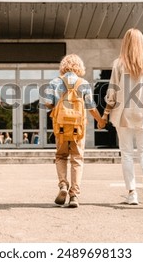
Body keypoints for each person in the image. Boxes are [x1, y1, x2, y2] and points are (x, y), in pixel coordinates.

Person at [100, 28, 143, 205]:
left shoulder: (119, 64)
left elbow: (112, 91)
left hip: (123, 115)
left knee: (126, 154)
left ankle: (132, 193)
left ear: (125, 43)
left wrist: (105, 114)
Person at [43, 54, 102, 208]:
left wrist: (57, 106)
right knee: (77, 159)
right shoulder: (84, 84)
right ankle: (74, 195)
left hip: (61, 127)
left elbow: (48, 103)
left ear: (63, 67)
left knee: (61, 156)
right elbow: (91, 107)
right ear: (79, 67)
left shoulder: (55, 82)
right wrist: (101, 121)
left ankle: (63, 184)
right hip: (78, 128)